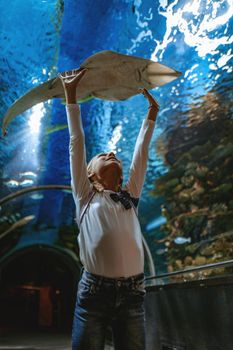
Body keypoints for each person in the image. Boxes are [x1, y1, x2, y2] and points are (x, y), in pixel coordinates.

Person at [59, 68, 159, 350]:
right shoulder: (85, 195)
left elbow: (141, 152)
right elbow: (76, 144)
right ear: (90, 175)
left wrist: (152, 112)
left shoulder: (131, 197)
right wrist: (70, 94)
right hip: (94, 294)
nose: (112, 153)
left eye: (113, 154)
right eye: (104, 155)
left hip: (133, 294)